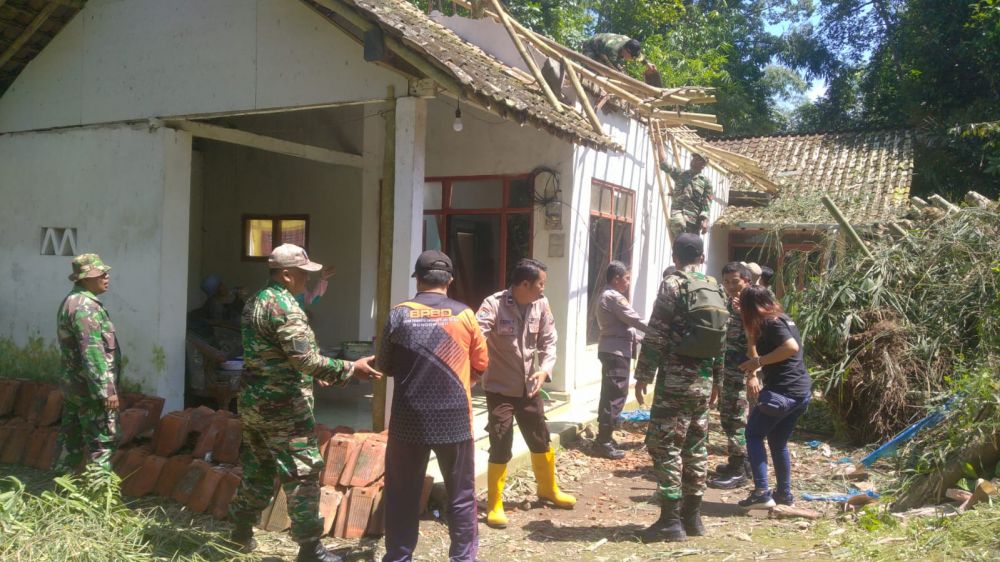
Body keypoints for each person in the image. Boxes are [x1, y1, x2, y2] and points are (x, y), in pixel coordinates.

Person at [228, 243, 381, 562]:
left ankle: (239, 533)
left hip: (254, 402)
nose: (306, 280)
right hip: (282, 407)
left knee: (257, 468)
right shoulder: (285, 306)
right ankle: (310, 548)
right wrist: (350, 369)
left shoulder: (256, 300)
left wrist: (312, 372)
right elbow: (303, 358)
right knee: (302, 473)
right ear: (286, 275)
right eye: (302, 274)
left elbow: (275, 354)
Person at [375, 251, 489, 562]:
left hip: (407, 420)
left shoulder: (398, 314)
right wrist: (463, 378)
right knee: (461, 495)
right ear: (449, 280)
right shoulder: (465, 315)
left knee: (402, 494)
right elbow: (481, 362)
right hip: (455, 419)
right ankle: (463, 558)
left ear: (418, 280)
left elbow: (384, 365)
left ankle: (399, 556)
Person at [634, 234, 727, 542]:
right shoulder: (715, 287)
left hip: (675, 382)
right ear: (701, 257)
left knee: (665, 445)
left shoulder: (672, 284)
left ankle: (670, 521)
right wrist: (718, 379)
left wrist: (643, 374)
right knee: (696, 447)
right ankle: (693, 518)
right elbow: (722, 339)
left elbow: (657, 332)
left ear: (674, 256)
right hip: (703, 382)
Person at [477, 258, 575, 529]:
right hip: (500, 388)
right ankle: (495, 503)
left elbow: (549, 340)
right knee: (500, 439)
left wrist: (544, 370)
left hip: (530, 387)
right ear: (524, 284)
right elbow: (477, 336)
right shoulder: (493, 304)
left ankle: (548, 489)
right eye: (540, 284)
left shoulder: (541, 304)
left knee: (540, 436)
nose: (543, 288)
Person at [736, 286, 812, 509]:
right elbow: (755, 347)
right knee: (778, 442)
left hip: (783, 392)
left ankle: (762, 493)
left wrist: (758, 363)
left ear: (751, 306)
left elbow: (791, 347)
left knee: (753, 434)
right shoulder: (780, 319)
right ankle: (784, 495)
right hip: (800, 392)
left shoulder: (771, 322)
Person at [56, 253, 121, 472]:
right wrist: (106, 391)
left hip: (75, 387)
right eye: (101, 274)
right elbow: (92, 353)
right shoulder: (85, 307)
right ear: (86, 278)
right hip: (90, 391)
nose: (106, 277)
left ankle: (62, 487)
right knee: (102, 443)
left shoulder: (73, 301)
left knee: (70, 441)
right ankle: (99, 489)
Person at [593, 261, 647, 460]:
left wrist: (641, 338)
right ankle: (603, 442)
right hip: (615, 352)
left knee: (610, 393)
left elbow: (624, 328)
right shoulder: (614, 297)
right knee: (615, 395)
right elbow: (634, 320)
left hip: (613, 350)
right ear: (616, 278)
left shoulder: (606, 295)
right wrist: (659, 329)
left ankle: (604, 437)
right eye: (626, 278)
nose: (628, 282)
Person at [708, 262, 754, 489]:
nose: (731, 286)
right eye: (726, 282)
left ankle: (739, 470)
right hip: (727, 371)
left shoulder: (754, 304)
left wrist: (743, 314)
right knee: (728, 418)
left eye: (735, 282)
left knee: (737, 420)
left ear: (747, 281)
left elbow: (758, 338)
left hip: (744, 373)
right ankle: (742, 463)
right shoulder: (728, 303)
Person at [657, 143, 714, 240]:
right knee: (679, 223)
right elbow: (664, 164)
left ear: (703, 165)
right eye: (693, 158)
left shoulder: (706, 182)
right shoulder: (681, 174)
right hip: (678, 211)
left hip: (693, 219)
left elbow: (706, 205)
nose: (693, 160)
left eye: (697, 159)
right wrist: (659, 145)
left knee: (691, 245)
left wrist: (705, 221)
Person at [581, 33, 659, 83]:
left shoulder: (630, 43)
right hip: (590, 46)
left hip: (603, 48)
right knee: (592, 68)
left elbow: (638, 56)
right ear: (626, 51)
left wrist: (647, 63)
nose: (633, 59)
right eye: (632, 57)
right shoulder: (613, 51)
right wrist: (629, 80)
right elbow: (617, 71)